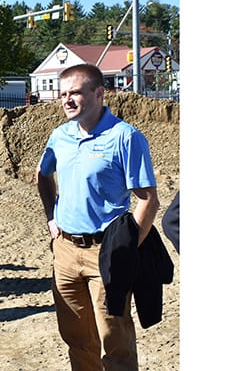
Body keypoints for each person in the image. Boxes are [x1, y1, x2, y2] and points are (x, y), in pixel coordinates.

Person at [36, 64, 161, 371]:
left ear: (99, 93)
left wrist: (127, 248)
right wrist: (51, 216)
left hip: (106, 252)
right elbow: (42, 175)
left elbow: (148, 200)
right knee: (77, 337)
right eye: (63, 94)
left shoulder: (125, 137)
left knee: (114, 337)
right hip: (64, 250)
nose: (67, 100)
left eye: (75, 92)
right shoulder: (59, 136)